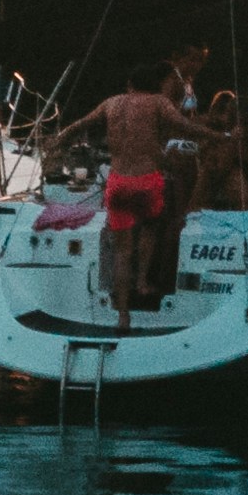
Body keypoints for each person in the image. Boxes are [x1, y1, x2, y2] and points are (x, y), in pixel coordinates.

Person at [45, 62, 207, 325]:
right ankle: (142, 282)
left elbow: (80, 124)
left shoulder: (111, 103)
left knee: (122, 251)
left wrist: (60, 138)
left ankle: (122, 313)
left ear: (130, 85)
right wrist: (220, 136)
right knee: (150, 230)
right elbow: (186, 127)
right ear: (153, 86)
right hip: (146, 181)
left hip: (118, 182)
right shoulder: (157, 102)